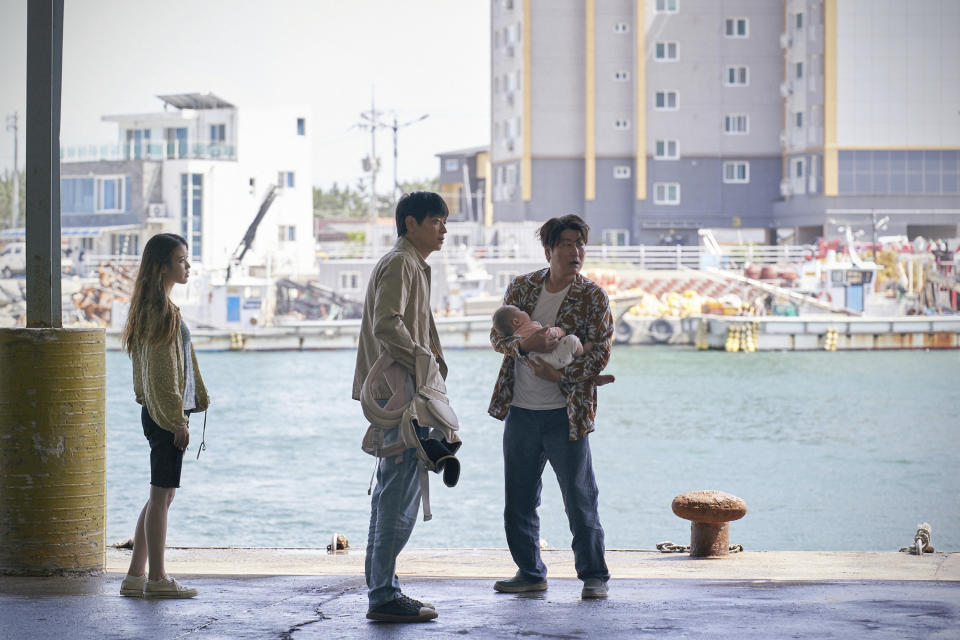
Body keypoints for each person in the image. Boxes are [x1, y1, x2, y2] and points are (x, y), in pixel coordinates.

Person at [489, 214, 613, 600]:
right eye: (567, 244)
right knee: (519, 501)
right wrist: (526, 346)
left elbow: (602, 351)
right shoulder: (522, 287)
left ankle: (594, 577)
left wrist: (561, 376)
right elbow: (497, 337)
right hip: (521, 411)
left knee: (579, 498)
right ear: (549, 249)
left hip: (567, 414)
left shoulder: (593, 296)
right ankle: (529, 572)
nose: (576, 252)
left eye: (580, 244)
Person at [352, 191, 449, 623]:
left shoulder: (408, 264)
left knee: (391, 492)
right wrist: (424, 363)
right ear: (411, 223)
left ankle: (383, 588)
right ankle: (384, 595)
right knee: (398, 495)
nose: (443, 229)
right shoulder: (401, 263)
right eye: (436, 221)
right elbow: (386, 323)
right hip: (400, 392)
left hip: (398, 390)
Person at [119, 233, 209, 599]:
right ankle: (157, 579)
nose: (188, 266)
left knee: (161, 496)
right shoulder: (161, 313)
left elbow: (157, 376)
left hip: (158, 413)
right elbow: (161, 375)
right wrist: (177, 421)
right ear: (162, 267)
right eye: (182, 260)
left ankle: (134, 576)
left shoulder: (152, 309)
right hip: (165, 417)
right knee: (161, 497)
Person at [492, 304, 615, 384]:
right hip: (551, 359)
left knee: (567, 359)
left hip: (537, 362)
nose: (524, 311)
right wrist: (559, 331)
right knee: (572, 340)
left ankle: (590, 378)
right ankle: (582, 352)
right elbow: (548, 333)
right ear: (516, 321)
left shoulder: (516, 334)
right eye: (520, 311)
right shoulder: (529, 327)